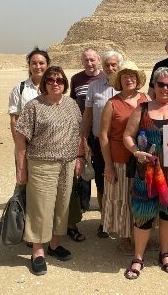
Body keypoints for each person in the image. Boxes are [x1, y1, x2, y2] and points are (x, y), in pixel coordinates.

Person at [14, 66, 88, 276]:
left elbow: (79, 132)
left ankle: (54, 245)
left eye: (59, 80)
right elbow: (21, 138)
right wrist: (21, 168)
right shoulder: (34, 106)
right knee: (41, 208)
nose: (55, 83)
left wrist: (80, 157)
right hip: (42, 163)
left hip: (67, 162)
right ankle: (38, 251)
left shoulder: (72, 104)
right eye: (50, 80)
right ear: (44, 83)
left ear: (64, 83)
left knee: (61, 205)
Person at [121, 67, 168, 279]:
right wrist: (136, 152)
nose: (165, 88)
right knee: (143, 213)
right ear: (153, 85)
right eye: (160, 84)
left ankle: (165, 253)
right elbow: (128, 135)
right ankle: (138, 257)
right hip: (147, 171)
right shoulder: (141, 109)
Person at [99, 61, 148, 254]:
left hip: (143, 161)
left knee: (142, 198)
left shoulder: (146, 99)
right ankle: (127, 238)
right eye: (125, 76)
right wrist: (108, 165)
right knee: (123, 199)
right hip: (120, 159)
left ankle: (141, 237)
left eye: (132, 76)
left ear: (137, 80)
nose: (129, 79)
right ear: (119, 80)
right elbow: (103, 135)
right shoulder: (112, 104)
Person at [82, 50, 123, 238]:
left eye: (114, 64)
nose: (110, 68)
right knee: (102, 182)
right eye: (107, 65)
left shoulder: (128, 86)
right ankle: (104, 220)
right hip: (100, 142)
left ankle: (122, 220)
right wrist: (83, 139)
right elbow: (88, 115)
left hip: (124, 143)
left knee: (124, 182)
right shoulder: (94, 87)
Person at [65, 48, 104, 243]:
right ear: (82, 62)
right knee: (81, 167)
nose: (90, 63)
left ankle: (103, 209)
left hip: (101, 132)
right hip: (80, 130)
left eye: (93, 60)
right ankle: (83, 204)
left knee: (100, 169)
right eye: (86, 60)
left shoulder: (108, 77)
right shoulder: (76, 79)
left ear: (99, 60)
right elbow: (72, 103)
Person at [8, 47, 50, 194]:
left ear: (47, 65)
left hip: (49, 144)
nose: (38, 67)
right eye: (34, 63)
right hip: (26, 142)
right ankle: (22, 214)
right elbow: (14, 120)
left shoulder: (55, 87)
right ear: (29, 65)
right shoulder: (20, 89)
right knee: (24, 181)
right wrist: (19, 147)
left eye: (41, 63)